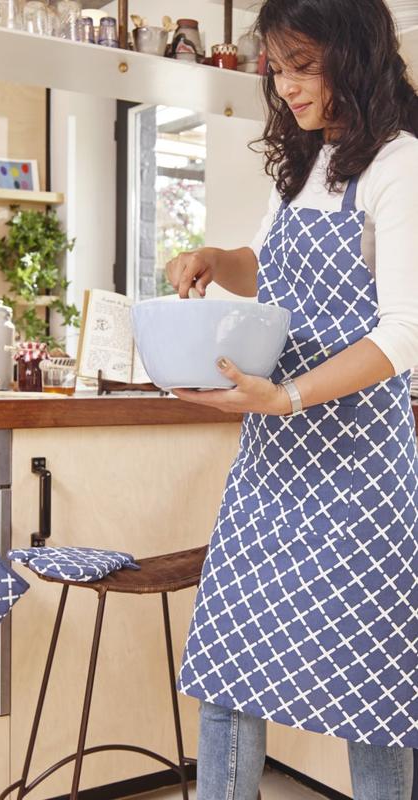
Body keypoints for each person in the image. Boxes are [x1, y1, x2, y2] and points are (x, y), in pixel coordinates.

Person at [166, 1, 418, 798]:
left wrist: (289, 394)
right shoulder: (305, 164)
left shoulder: (398, 165)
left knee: (371, 698)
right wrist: (216, 257)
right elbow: (266, 267)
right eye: (278, 67)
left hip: (359, 469)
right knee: (226, 671)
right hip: (273, 459)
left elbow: (407, 332)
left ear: (353, 56)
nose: (287, 86)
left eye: (303, 65)